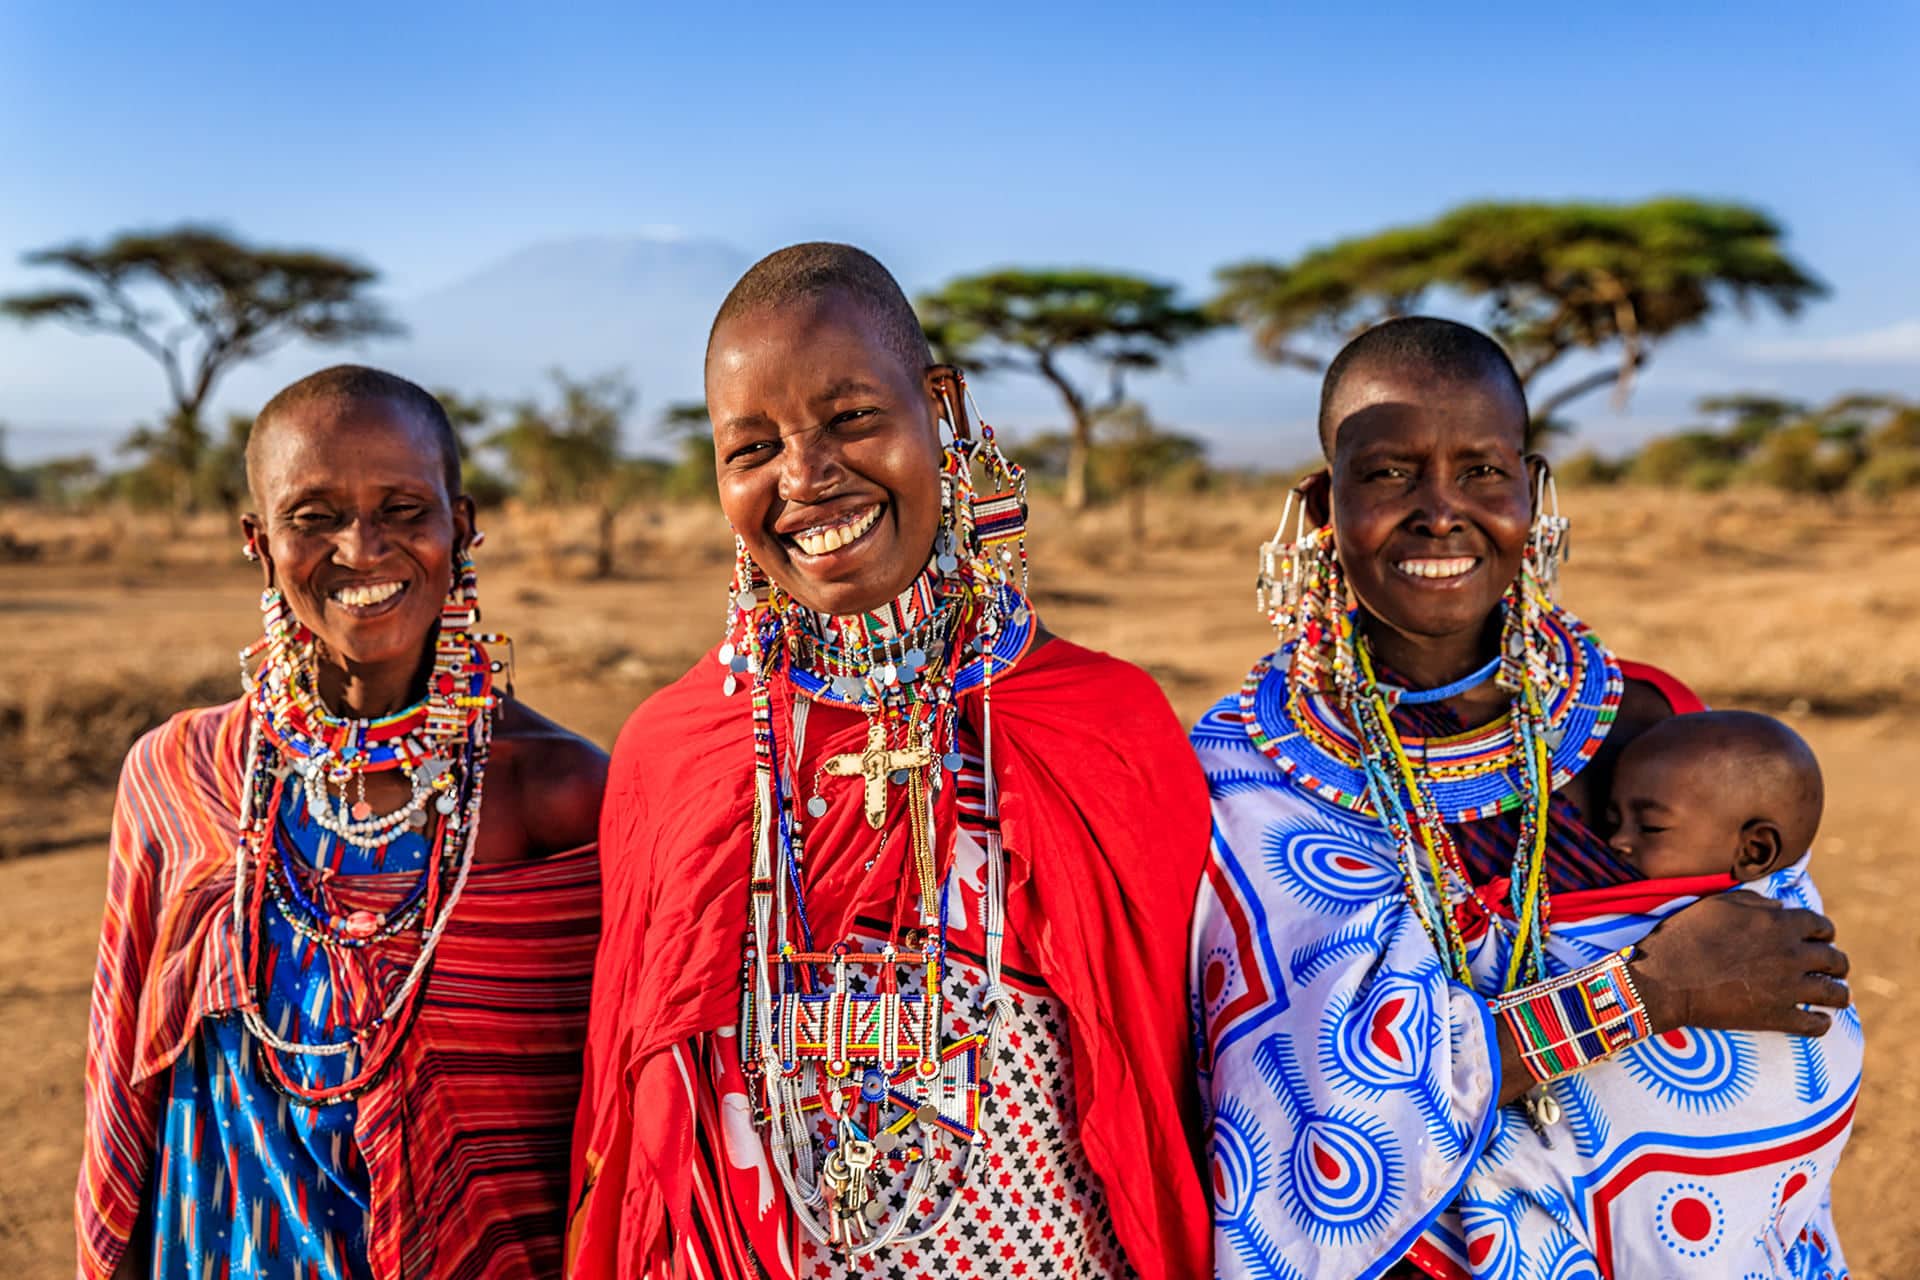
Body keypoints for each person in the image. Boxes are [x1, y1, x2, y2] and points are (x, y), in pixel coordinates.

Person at [567, 243, 1212, 1280]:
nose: (807, 477)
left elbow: (1173, 1092)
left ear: (940, 406)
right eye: (752, 449)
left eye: (852, 418)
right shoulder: (672, 753)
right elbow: (638, 1125)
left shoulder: (1105, 724)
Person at [1190, 318, 1859, 1279]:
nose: (1440, 512)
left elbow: (1781, 972)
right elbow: (1306, 1121)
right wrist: (1646, 994)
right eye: (1387, 474)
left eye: (1482, 471)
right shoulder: (1247, 769)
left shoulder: (1648, 725)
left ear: (1533, 489)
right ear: (1320, 503)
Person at [77, 366, 607, 1280]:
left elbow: (612, 1123)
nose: (361, 548)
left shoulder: (557, 793)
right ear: (260, 539)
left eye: (403, 508)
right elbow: (129, 1082)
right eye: (313, 515)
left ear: (462, 524)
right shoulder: (182, 774)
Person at [1606, 709, 1823, 883]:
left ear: (1754, 851)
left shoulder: (1751, 930)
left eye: (1650, 826)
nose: (1616, 841)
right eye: (1612, 822)